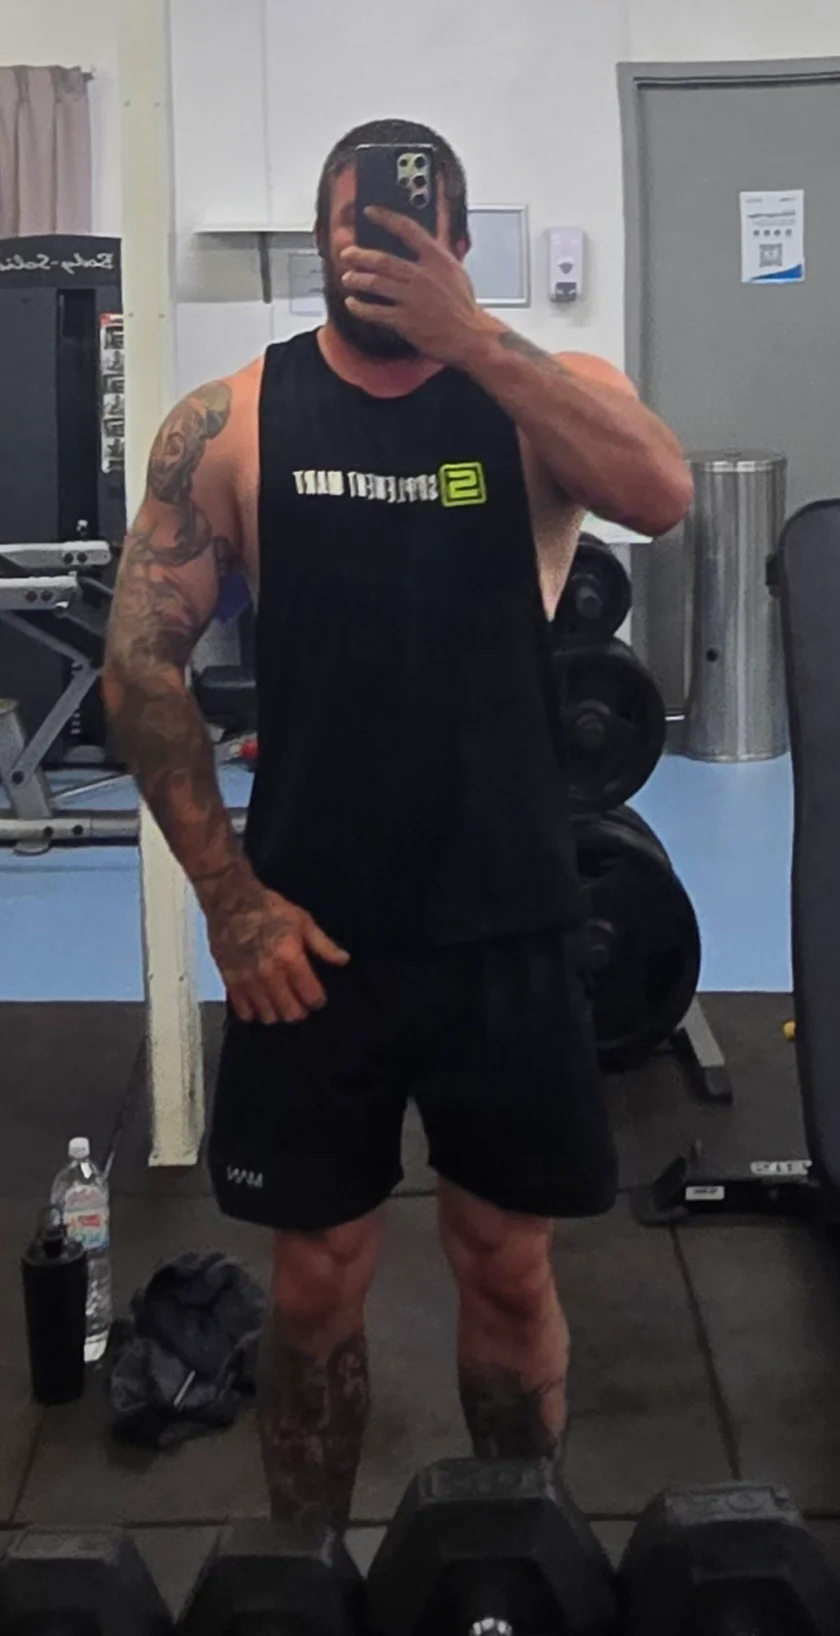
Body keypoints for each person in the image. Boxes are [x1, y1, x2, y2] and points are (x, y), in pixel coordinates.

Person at [103, 118, 692, 1530]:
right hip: (313, 934)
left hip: (510, 917)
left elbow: (662, 495)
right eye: (353, 234)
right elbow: (139, 666)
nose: (374, 259)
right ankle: (306, 1577)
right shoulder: (234, 420)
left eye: (409, 236)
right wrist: (230, 903)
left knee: (507, 1263)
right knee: (316, 1282)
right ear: (321, 244)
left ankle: (515, 1562)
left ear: (461, 244)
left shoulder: (543, 395)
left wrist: (472, 337)